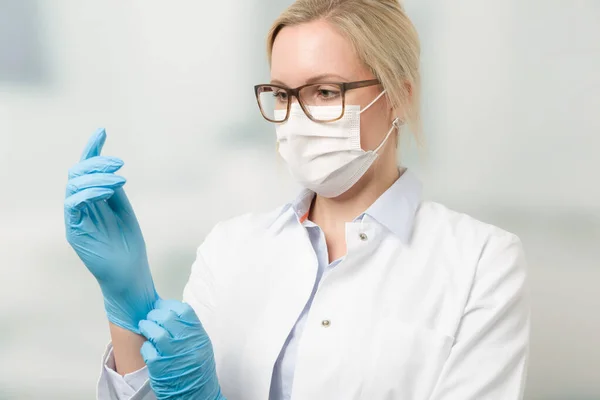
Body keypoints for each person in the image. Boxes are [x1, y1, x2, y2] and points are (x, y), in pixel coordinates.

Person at [64, 1, 530, 399]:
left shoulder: (481, 261)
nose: (297, 117)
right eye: (283, 94)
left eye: (325, 92)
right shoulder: (230, 247)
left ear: (400, 99)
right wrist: (128, 306)